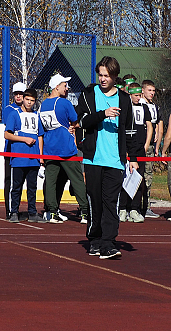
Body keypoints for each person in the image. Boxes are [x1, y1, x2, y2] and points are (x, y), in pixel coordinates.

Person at [76, 56, 133, 259]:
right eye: (100, 74)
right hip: (93, 160)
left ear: (115, 76)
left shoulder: (125, 99)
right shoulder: (88, 94)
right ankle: (95, 239)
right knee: (96, 202)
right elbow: (80, 121)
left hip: (116, 161)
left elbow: (130, 130)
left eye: (106, 75)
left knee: (111, 202)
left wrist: (132, 157)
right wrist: (103, 114)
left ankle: (108, 242)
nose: (102, 79)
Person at [38, 73, 88, 224]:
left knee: (51, 181)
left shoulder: (42, 105)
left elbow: (41, 132)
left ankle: (52, 211)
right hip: (66, 148)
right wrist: (73, 127)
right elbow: (75, 121)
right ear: (56, 86)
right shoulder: (64, 103)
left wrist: (41, 156)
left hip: (49, 149)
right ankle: (85, 212)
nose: (67, 88)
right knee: (77, 179)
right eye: (65, 85)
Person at [4, 88, 45, 223]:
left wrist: (40, 157)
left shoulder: (37, 115)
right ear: (23, 99)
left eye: (32, 101)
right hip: (18, 158)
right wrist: (24, 139)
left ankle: (32, 212)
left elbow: (40, 136)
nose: (29, 102)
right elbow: (7, 134)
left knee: (32, 187)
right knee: (16, 186)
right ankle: (14, 211)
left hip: (33, 159)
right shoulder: (14, 114)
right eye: (27, 99)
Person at [118, 82, 152, 223]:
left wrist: (146, 145)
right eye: (135, 95)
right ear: (129, 95)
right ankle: (122, 209)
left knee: (138, 179)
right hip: (126, 149)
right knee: (124, 179)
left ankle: (134, 209)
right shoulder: (125, 107)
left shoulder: (144, 108)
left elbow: (149, 126)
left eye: (139, 95)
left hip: (139, 149)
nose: (138, 98)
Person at [140, 79, 164, 219]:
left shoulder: (155, 107)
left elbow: (159, 128)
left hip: (149, 147)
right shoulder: (138, 105)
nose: (152, 93)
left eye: (154, 91)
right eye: (149, 90)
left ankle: (146, 206)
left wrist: (157, 146)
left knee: (148, 176)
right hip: (138, 145)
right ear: (143, 90)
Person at [2, 82, 26, 217]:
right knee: (9, 180)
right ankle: (9, 210)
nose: (18, 97)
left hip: (25, 151)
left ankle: (18, 208)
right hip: (10, 150)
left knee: (22, 181)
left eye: (21, 94)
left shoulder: (30, 111)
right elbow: (11, 127)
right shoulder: (9, 109)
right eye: (16, 94)